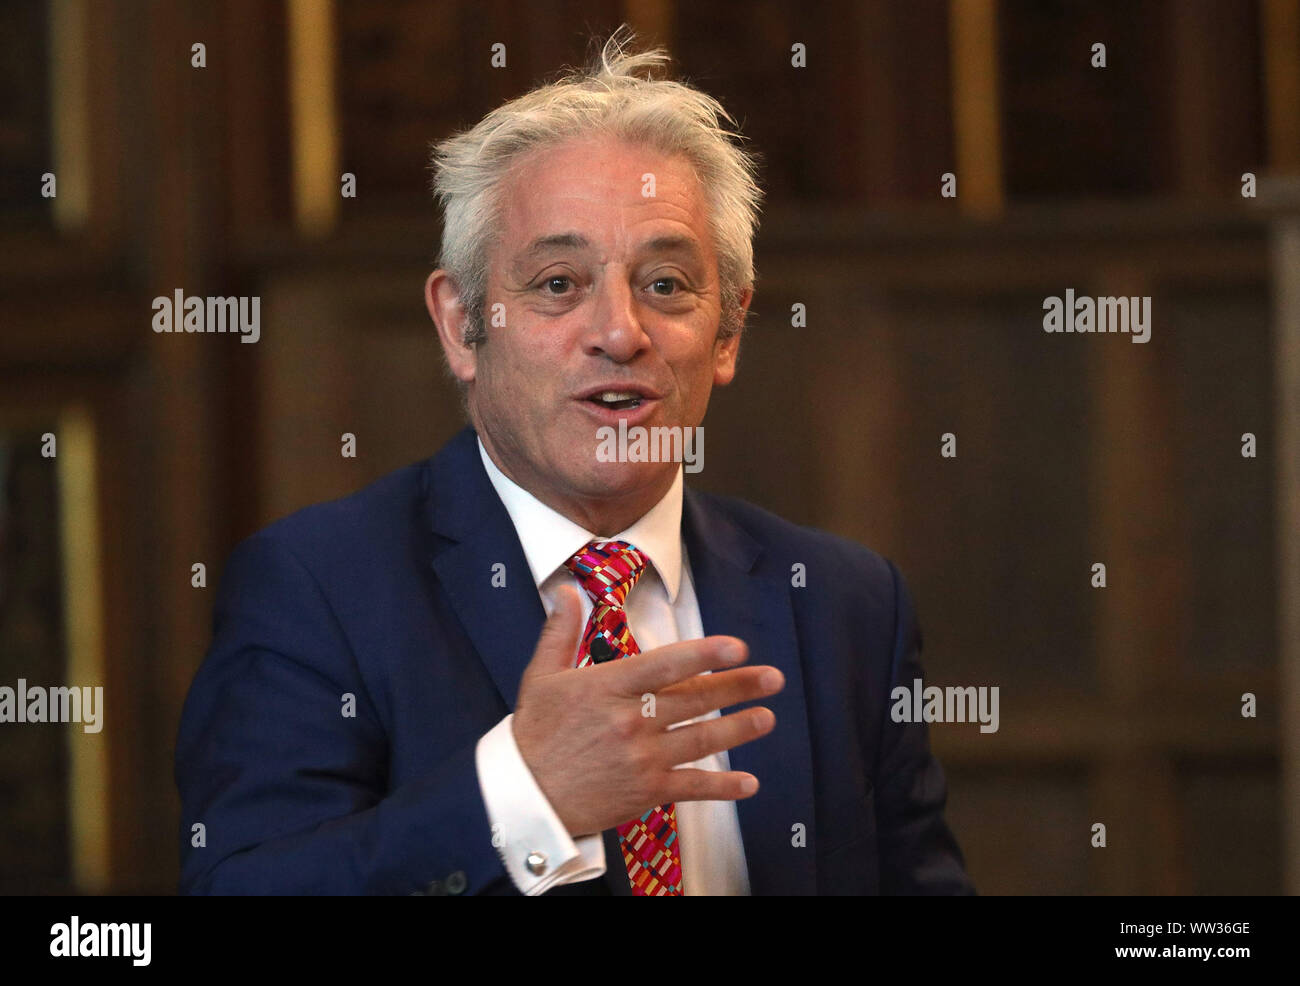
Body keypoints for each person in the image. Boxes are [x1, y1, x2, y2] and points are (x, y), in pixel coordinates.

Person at [175, 28, 974, 896]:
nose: (620, 333)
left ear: (730, 331)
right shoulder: (317, 590)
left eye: (666, 284)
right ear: (462, 325)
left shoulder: (846, 602)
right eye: (558, 284)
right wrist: (526, 796)